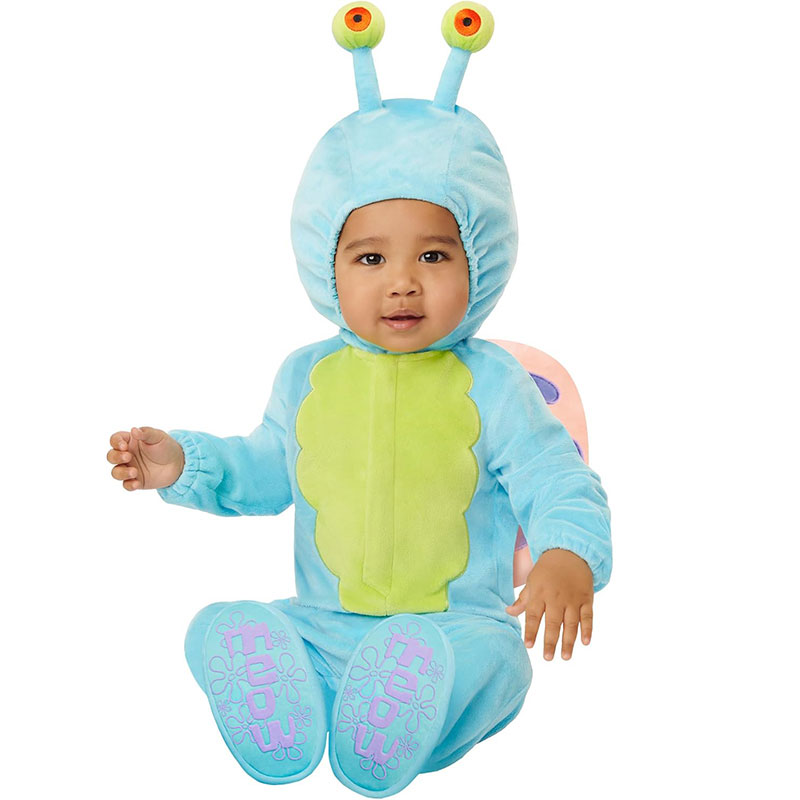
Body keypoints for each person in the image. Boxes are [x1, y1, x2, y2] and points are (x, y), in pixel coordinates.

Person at [106, 4, 611, 797]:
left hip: (453, 629)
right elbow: (267, 469)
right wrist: (183, 464)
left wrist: (567, 554)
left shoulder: (495, 382)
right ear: (326, 263)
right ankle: (292, 691)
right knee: (244, 626)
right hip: (324, 624)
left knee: (500, 663)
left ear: (481, 257)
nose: (402, 283)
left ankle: (402, 707)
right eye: (371, 258)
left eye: (434, 256)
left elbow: (557, 478)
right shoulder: (307, 376)